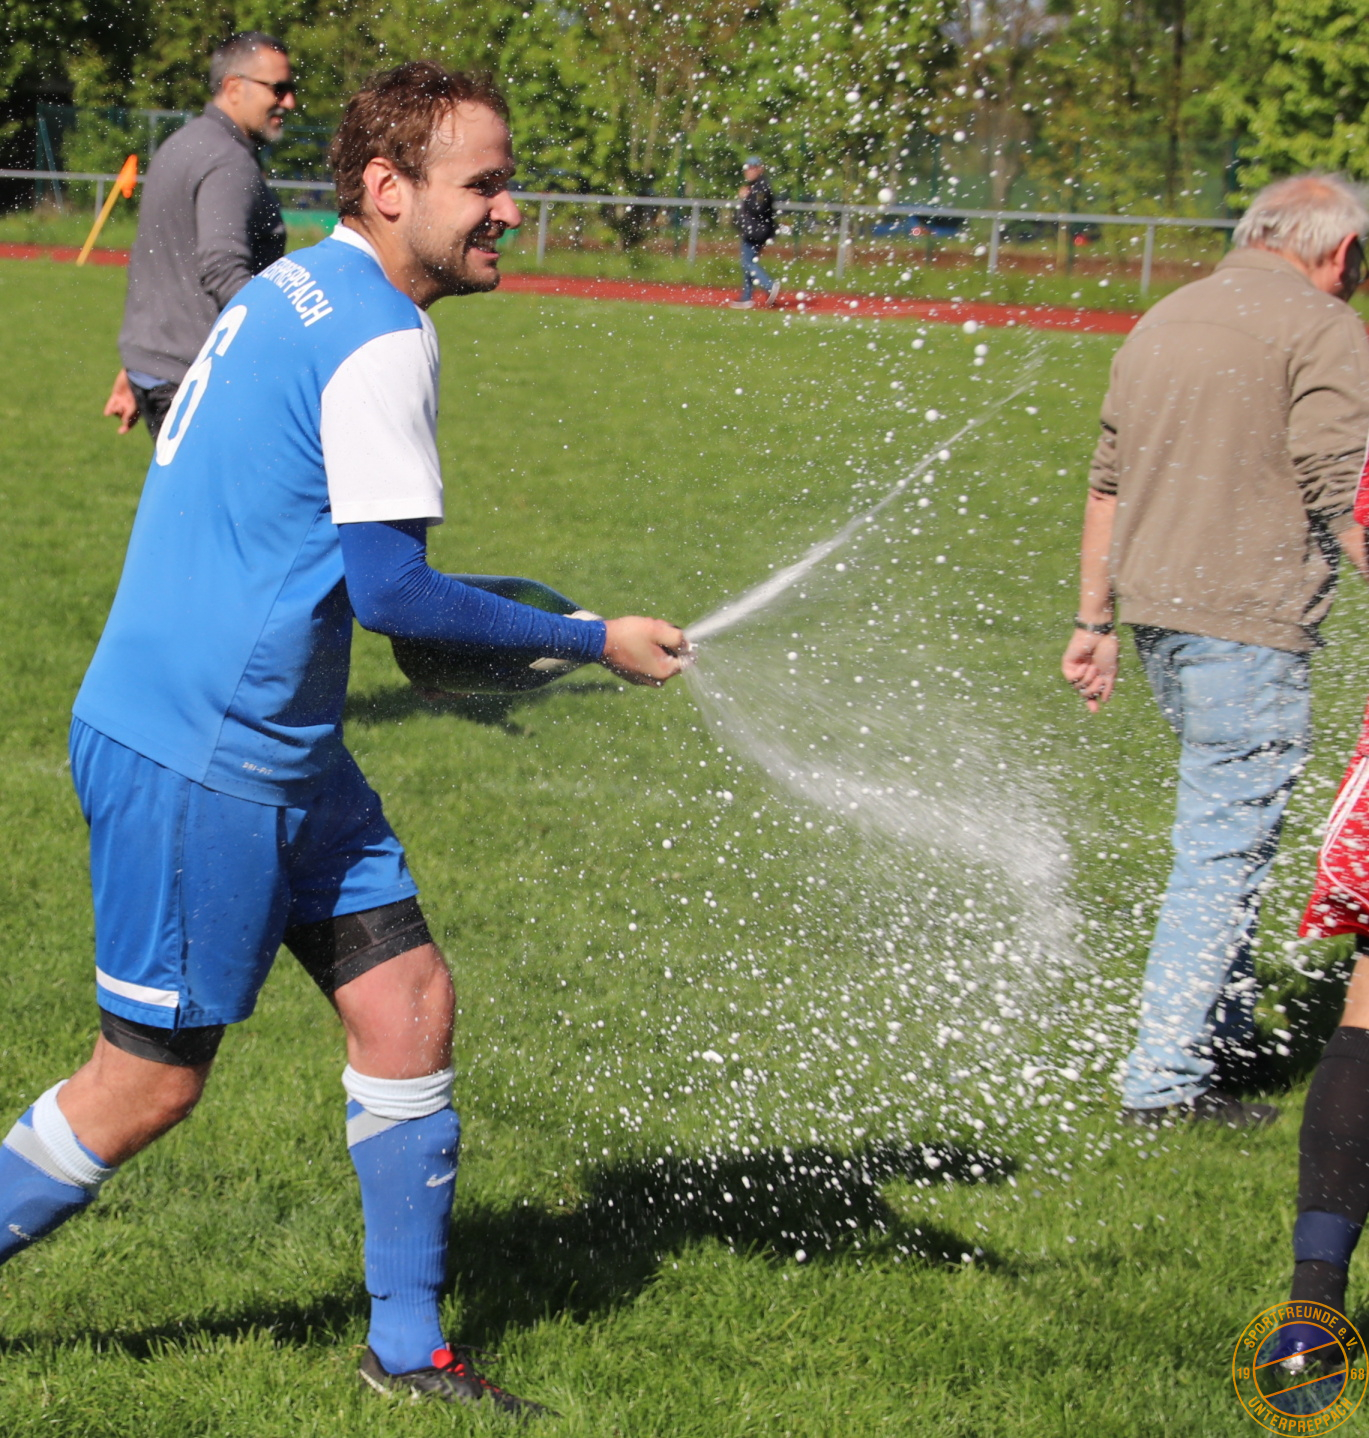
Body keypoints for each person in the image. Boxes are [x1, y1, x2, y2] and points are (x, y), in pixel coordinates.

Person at [2, 60, 686, 1413]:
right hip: (204, 752)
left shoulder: (296, 282)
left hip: (274, 733)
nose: (509, 209)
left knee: (406, 999)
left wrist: (521, 629)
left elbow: (360, 578)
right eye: (483, 184)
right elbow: (395, 600)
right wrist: (588, 638)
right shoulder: (381, 336)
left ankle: (406, 1350)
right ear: (386, 187)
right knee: (143, 1087)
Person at [1061, 173, 1369, 1129]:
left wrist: (1093, 623)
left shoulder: (1164, 315)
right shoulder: (1324, 327)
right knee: (1223, 851)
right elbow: (1342, 485)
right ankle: (1161, 1084)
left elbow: (1106, 484)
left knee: (1227, 836)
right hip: (1245, 625)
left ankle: (1221, 1031)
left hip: (1158, 620)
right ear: (1339, 252)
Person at [102, 32, 293, 440]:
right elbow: (223, 270)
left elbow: (165, 260)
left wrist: (143, 363)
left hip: (157, 371)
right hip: (197, 382)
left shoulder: (181, 144)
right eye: (278, 89)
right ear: (234, 87)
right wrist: (291, 338)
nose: (289, 102)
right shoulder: (228, 160)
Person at [730, 156, 780, 310]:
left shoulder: (761, 187)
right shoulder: (756, 186)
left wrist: (745, 198)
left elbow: (759, 208)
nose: (749, 172)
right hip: (755, 230)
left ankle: (769, 285)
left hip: (756, 231)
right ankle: (747, 297)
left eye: (752, 168)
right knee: (748, 261)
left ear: (760, 169)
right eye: (747, 168)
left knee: (747, 263)